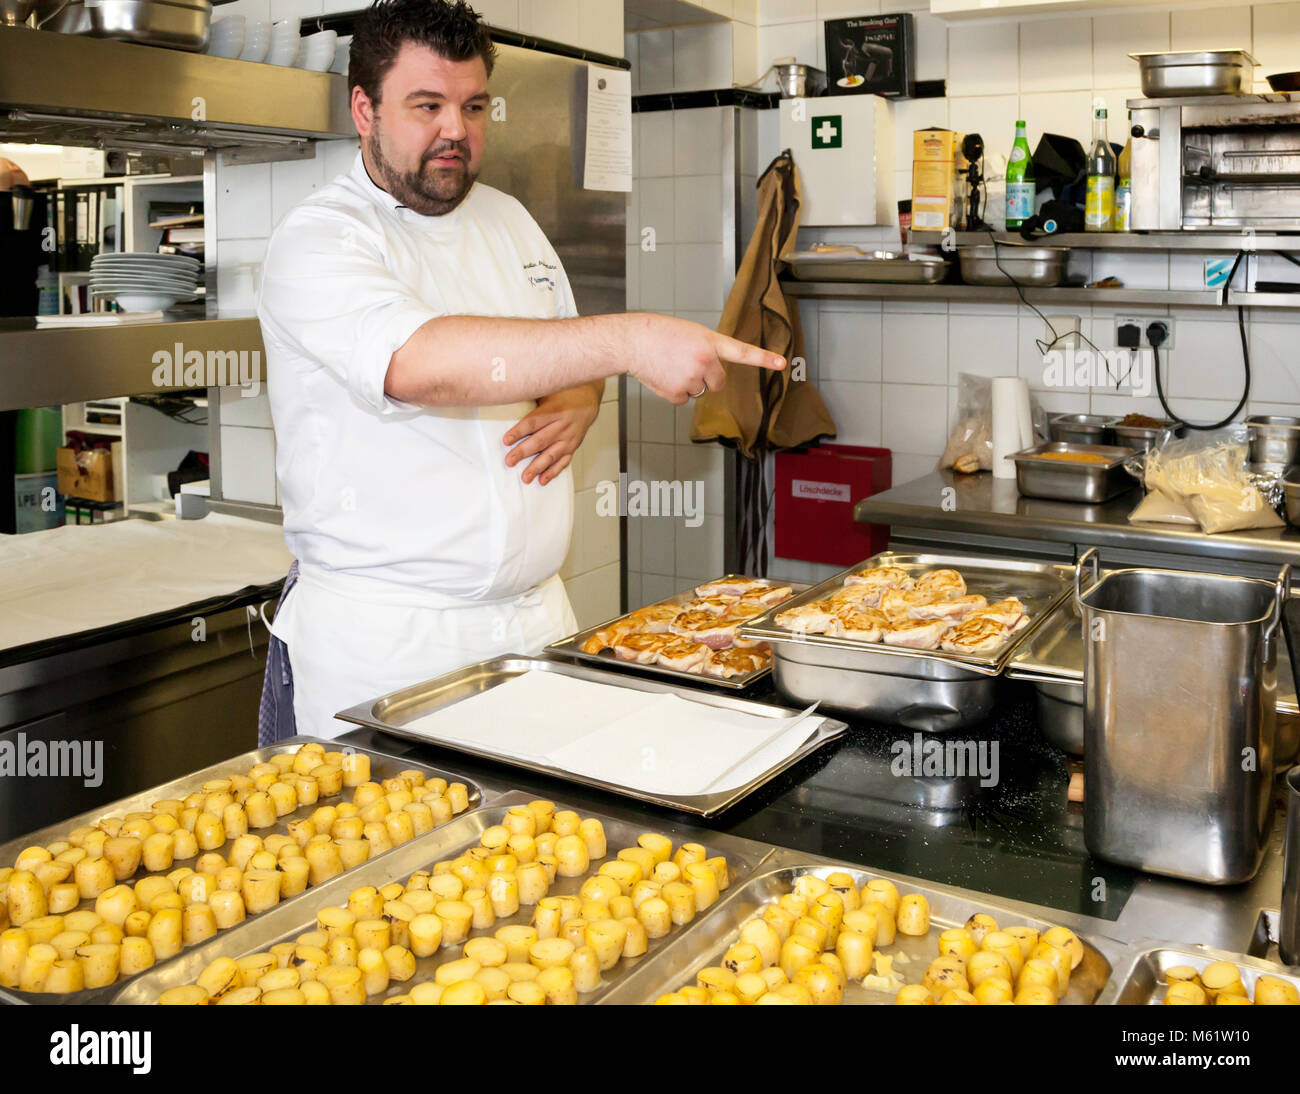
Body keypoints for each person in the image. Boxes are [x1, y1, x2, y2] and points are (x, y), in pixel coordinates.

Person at [256, 0, 782, 740]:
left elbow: (560, 347)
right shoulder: (320, 238)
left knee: (545, 850)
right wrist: (629, 344)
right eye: (427, 105)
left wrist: (582, 393)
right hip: (385, 646)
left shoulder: (507, 219)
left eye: (473, 106)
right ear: (363, 110)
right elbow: (417, 364)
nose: (456, 130)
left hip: (534, 624)